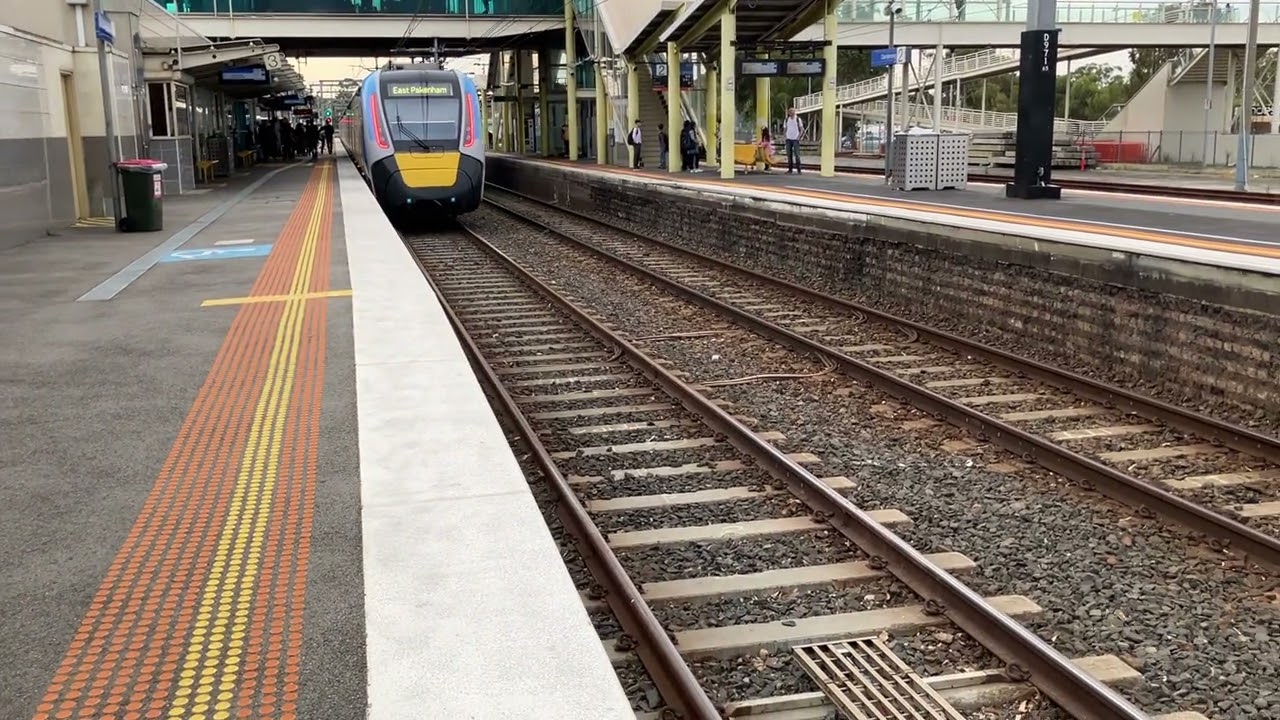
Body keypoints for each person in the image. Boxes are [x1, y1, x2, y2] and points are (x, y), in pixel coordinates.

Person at [783, 106, 803, 174]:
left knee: (797, 155)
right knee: (789, 155)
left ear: (794, 112)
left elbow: (801, 129)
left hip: (795, 139)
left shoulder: (798, 119)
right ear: (788, 113)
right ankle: (790, 169)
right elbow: (785, 129)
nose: (791, 112)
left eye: (792, 111)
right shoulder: (786, 120)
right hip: (788, 139)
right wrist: (785, 136)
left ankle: (799, 169)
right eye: (790, 111)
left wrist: (799, 137)